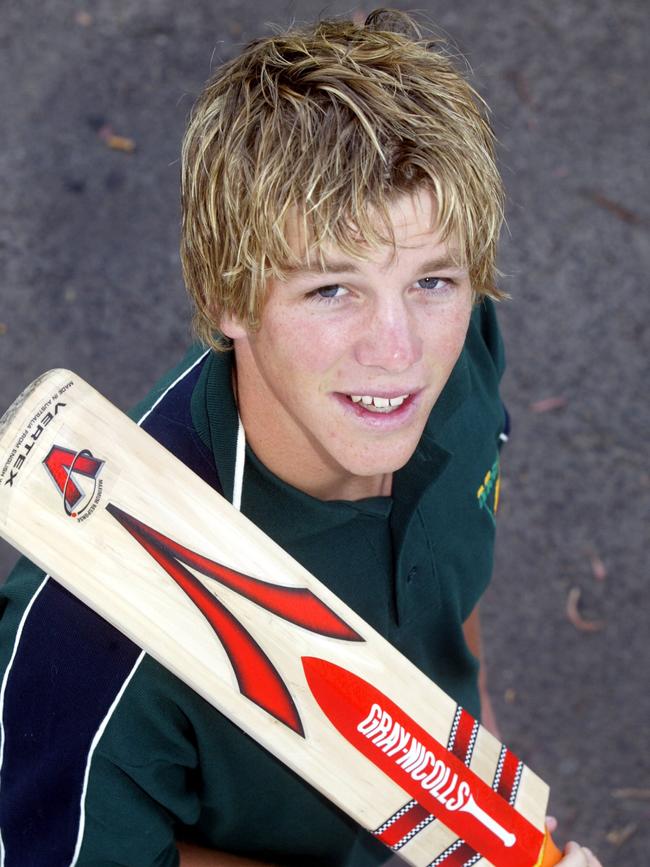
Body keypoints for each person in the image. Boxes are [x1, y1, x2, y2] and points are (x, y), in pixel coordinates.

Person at [0, 10, 601, 867]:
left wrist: (491, 823)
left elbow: (448, 603)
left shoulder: (459, 358)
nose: (399, 353)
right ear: (227, 298)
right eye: (331, 289)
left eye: (431, 278)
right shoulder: (88, 639)